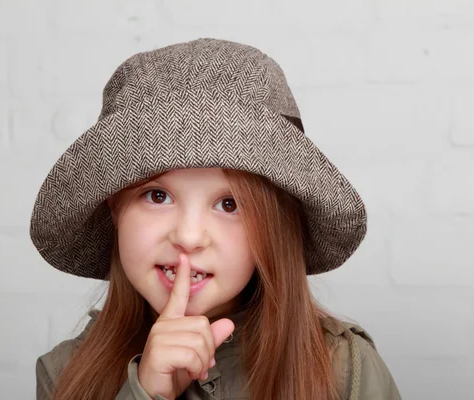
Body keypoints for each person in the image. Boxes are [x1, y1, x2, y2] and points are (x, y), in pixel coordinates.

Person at [30, 38, 402, 400]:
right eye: (158, 196)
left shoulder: (344, 370)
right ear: (113, 208)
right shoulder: (67, 374)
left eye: (229, 204)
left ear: (275, 225)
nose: (189, 237)